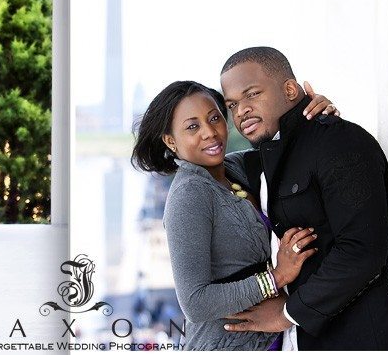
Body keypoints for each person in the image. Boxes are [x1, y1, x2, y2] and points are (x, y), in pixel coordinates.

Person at [131, 80, 334, 350]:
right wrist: (276, 278)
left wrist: (314, 114)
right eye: (193, 126)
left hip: (274, 337)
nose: (209, 132)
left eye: (214, 118)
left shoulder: (233, 169)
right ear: (171, 141)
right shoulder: (189, 194)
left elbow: (287, 148)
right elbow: (195, 303)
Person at [220, 46, 388, 350]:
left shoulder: (340, 141)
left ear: (290, 89)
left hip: (353, 339)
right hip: (301, 341)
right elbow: (206, 164)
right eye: (232, 104)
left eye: (252, 94)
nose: (241, 111)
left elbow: (363, 251)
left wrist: (288, 314)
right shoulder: (261, 162)